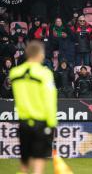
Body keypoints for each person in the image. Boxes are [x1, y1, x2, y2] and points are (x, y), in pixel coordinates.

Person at [9, 41, 57, 174]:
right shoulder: (44, 74)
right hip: (41, 121)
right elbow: (50, 99)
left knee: (24, 159)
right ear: (40, 55)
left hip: (23, 121)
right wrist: (52, 123)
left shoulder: (15, 73)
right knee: (38, 160)